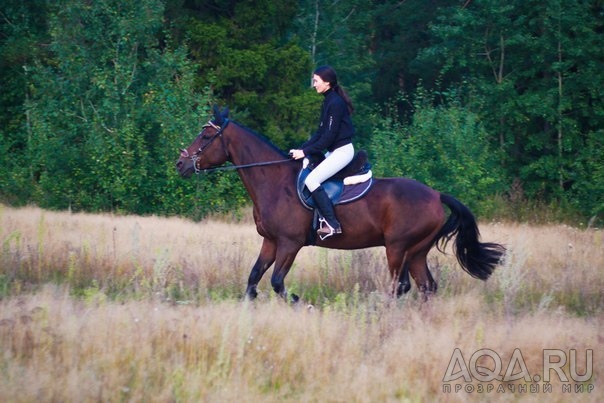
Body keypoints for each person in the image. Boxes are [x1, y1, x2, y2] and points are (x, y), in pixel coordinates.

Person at [290, 65, 355, 239]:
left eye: (316, 81)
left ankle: (333, 225)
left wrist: (305, 152)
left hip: (342, 152)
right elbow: (319, 133)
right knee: (308, 170)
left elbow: (328, 138)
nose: (314, 84)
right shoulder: (328, 101)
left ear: (327, 82)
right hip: (334, 151)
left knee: (312, 180)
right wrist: (302, 149)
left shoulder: (335, 103)